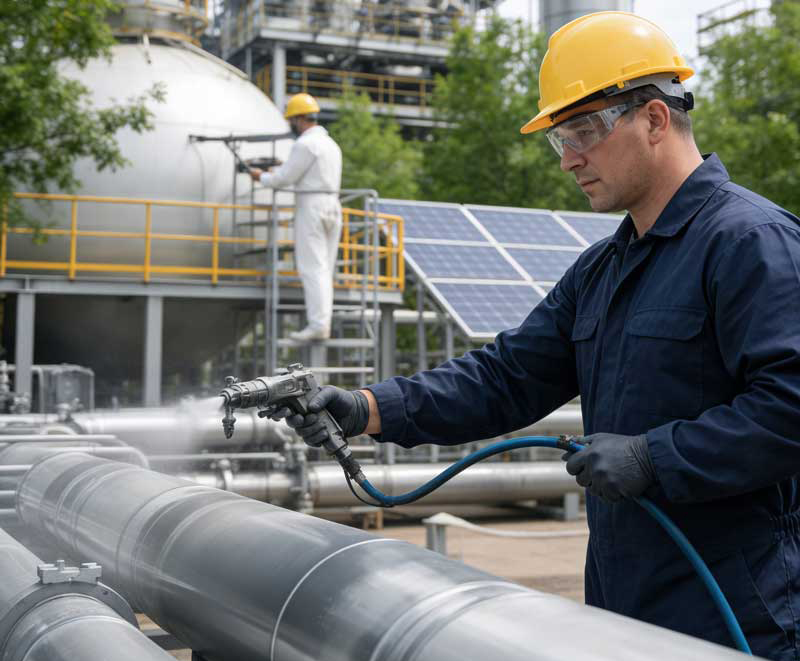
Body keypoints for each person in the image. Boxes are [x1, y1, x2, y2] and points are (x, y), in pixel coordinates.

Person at [271, 12, 800, 659]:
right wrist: (369, 407)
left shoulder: (750, 242)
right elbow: (505, 376)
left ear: (655, 120)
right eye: (561, 139)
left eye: (582, 130)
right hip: (623, 611)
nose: (569, 158)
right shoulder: (603, 270)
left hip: (737, 613)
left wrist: (652, 457)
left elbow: (789, 408)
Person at [251, 92, 343, 342]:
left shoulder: (304, 144)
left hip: (311, 206)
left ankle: (318, 325)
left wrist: (262, 177)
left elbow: (285, 179)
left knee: (312, 267)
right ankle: (323, 322)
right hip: (333, 204)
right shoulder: (331, 144)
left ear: (299, 119)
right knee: (324, 268)